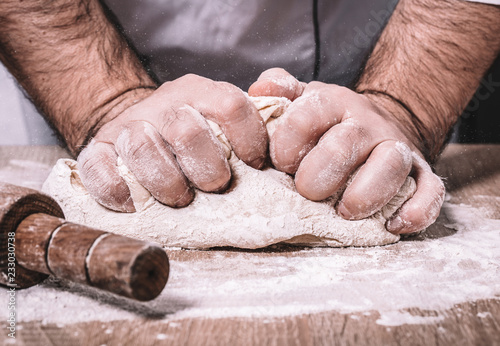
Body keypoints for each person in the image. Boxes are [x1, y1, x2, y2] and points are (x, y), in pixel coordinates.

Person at [0, 0, 498, 235]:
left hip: (382, 49)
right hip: (97, 58)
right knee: (118, 175)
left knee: (375, 175)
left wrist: (400, 107)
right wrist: (108, 103)